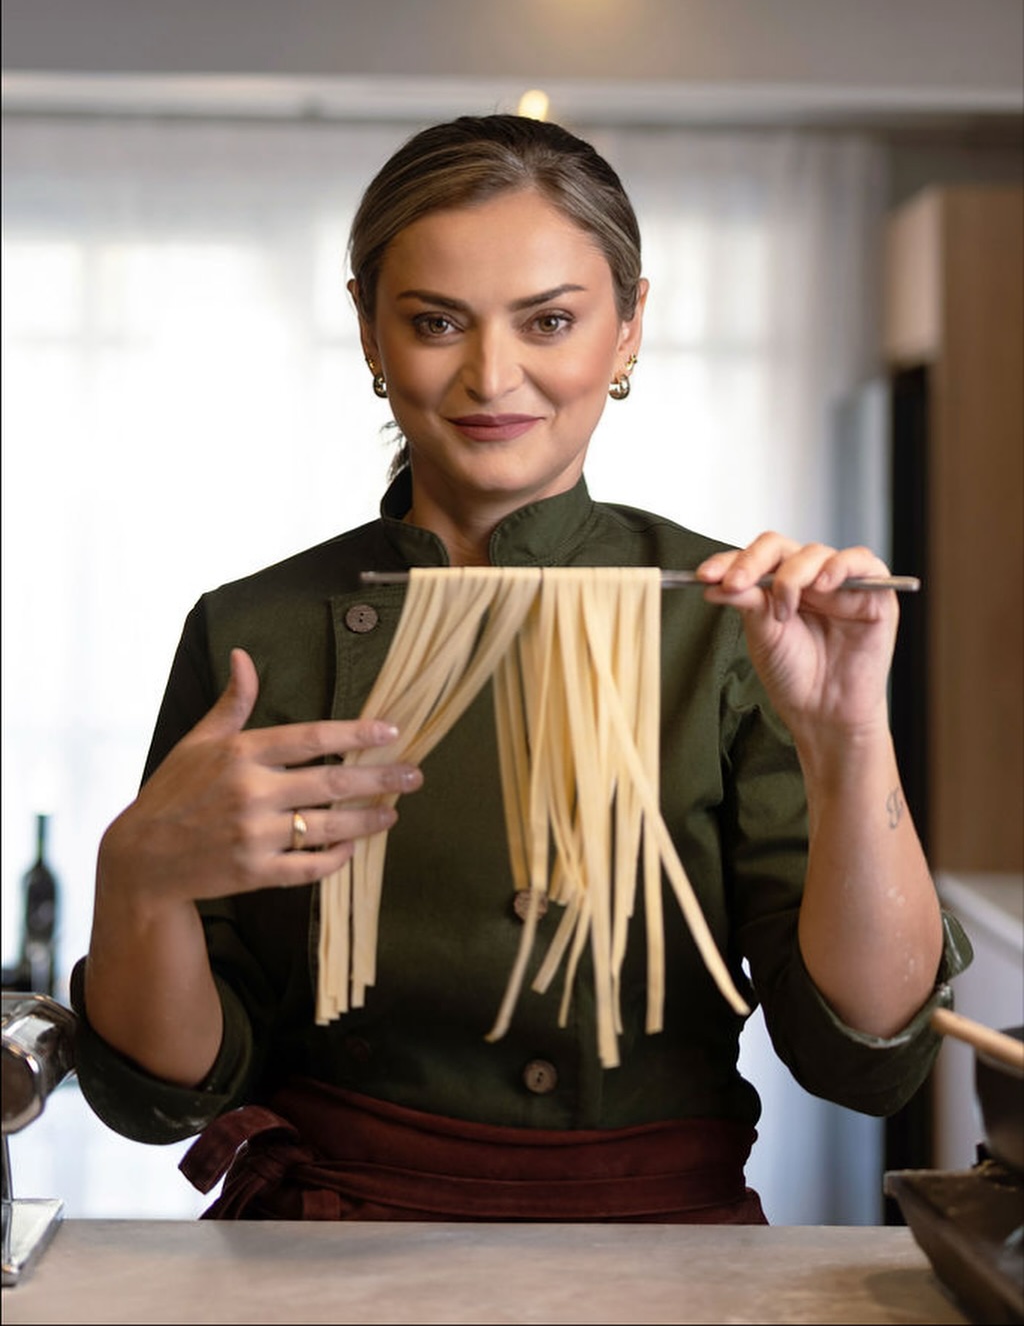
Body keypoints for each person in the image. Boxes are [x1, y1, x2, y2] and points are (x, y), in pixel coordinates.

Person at [72, 114, 969, 1223]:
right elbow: (162, 1095)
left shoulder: (731, 621)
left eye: (549, 319)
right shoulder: (258, 629)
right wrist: (140, 877)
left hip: (662, 1261)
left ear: (630, 326)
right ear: (367, 329)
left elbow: (865, 1058)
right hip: (323, 1254)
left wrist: (847, 736)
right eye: (436, 321)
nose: (492, 376)